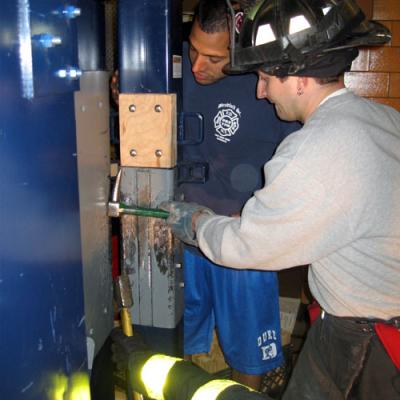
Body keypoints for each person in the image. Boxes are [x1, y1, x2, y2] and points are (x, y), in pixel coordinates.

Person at [161, 0, 400, 399]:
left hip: (366, 337)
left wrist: (196, 221)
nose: (260, 91)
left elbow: (244, 246)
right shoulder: (383, 119)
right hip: (365, 317)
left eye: (265, 78)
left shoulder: (314, 150)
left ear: (299, 79)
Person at [179, 0, 300, 390]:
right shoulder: (176, 66)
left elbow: (297, 166)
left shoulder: (268, 84)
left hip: (243, 235)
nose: (199, 65)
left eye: (214, 58)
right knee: (177, 328)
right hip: (182, 225)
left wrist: (261, 221)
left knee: (248, 344)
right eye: (194, 49)